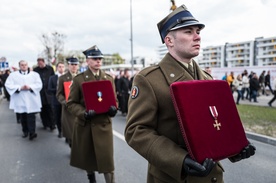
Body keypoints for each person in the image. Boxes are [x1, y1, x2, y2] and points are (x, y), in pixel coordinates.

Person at [125, 5, 256, 183]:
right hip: (174, 177)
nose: (197, 36)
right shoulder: (149, 79)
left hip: (211, 175)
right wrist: (179, 160)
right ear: (169, 40)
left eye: (198, 31)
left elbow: (215, 125)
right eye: (188, 31)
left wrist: (235, 149)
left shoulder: (208, 79)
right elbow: (136, 131)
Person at [66, 45, 117, 183]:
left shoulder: (108, 79)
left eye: (100, 58)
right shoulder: (79, 80)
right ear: (87, 61)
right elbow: (71, 103)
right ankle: (91, 178)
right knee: (87, 158)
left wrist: (114, 109)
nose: (98, 61)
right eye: (94, 59)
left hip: (103, 125)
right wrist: (84, 113)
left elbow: (114, 100)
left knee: (107, 163)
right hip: (86, 125)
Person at [5, 60, 42, 140]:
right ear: (19, 66)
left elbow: (39, 84)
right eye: (22, 65)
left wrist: (30, 87)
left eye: (25, 65)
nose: (24, 66)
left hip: (31, 99)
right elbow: (8, 85)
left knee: (31, 116)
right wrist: (19, 88)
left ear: (27, 65)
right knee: (23, 116)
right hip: (20, 99)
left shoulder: (35, 75)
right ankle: (25, 131)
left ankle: (32, 132)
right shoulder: (13, 75)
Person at [56, 57, 79, 145]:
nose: (74, 66)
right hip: (68, 109)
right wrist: (65, 102)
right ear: (68, 66)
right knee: (71, 132)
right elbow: (59, 94)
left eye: (75, 65)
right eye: (72, 64)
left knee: (80, 133)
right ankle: (72, 147)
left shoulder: (82, 77)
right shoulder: (62, 78)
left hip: (80, 108)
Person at [34, 58, 55, 130]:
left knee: (50, 109)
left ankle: (52, 124)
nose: (40, 65)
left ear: (43, 62)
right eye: (38, 64)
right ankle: (45, 124)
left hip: (49, 92)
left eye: (41, 63)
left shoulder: (50, 69)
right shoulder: (35, 70)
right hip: (40, 92)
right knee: (42, 110)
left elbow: (53, 78)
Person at [48, 61, 65, 138]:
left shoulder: (67, 77)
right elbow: (49, 89)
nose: (61, 68)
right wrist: (58, 89)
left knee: (66, 118)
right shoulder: (52, 78)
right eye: (60, 67)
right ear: (57, 68)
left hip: (66, 101)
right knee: (58, 117)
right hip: (56, 101)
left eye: (62, 67)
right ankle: (60, 131)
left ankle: (66, 132)